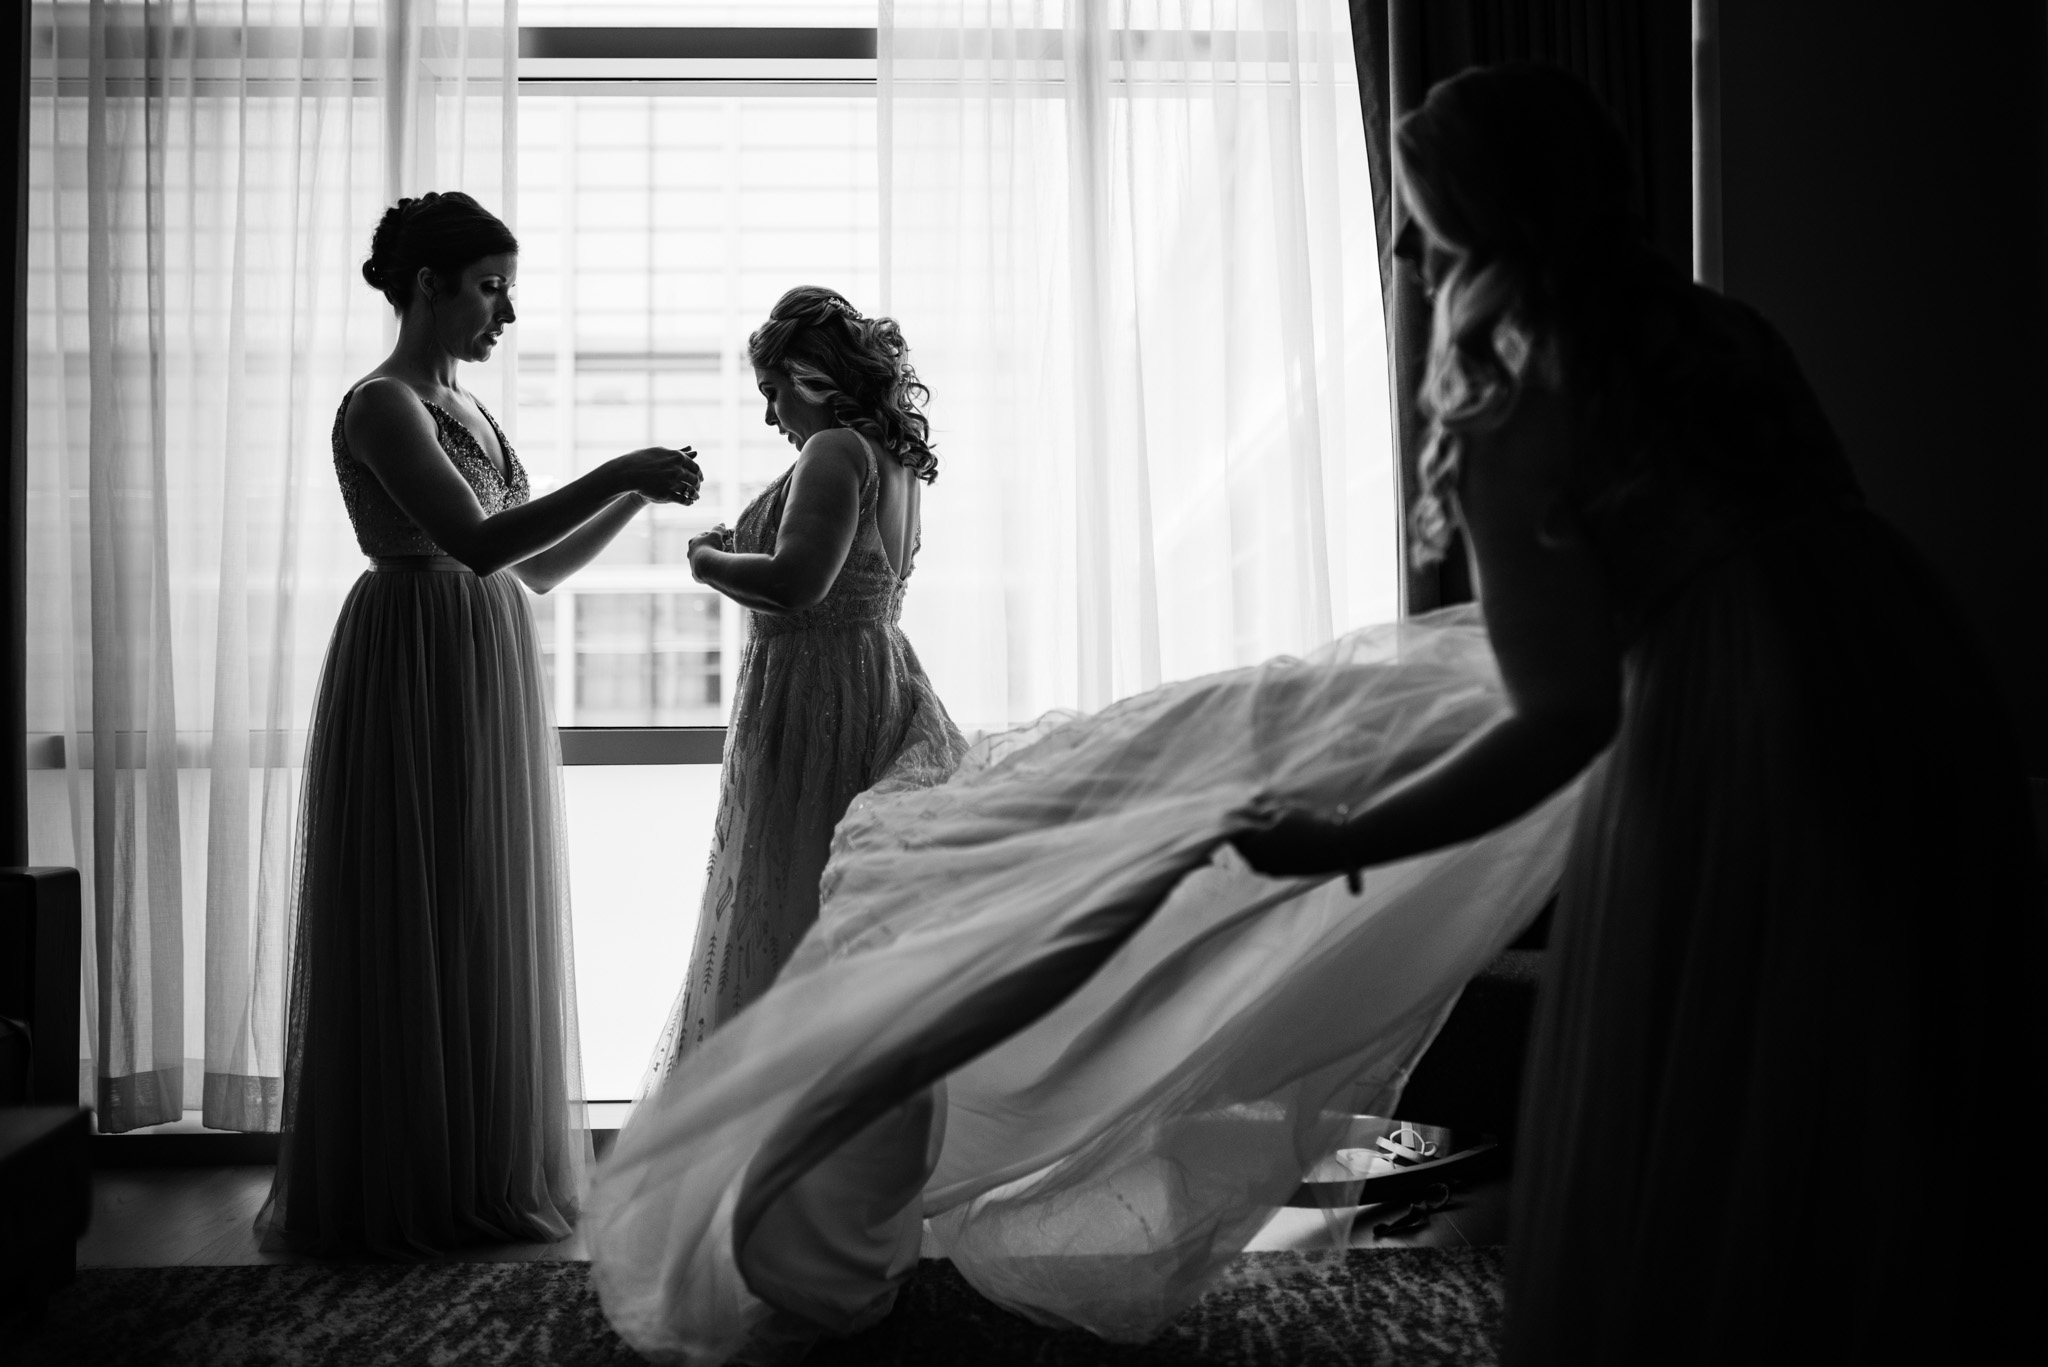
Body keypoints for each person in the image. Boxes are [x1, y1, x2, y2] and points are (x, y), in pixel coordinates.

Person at [1233, 64, 2046, 1365]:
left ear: (1478, 220)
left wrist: (1345, 836)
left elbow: (1561, 712)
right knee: (1879, 1058)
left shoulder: (1509, 385)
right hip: (1912, 667)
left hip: (1745, 718)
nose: (1398, 242)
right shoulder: (1715, 328)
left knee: (1731, 1068)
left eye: (1419, 211)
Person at [259, 191, 702, 1257]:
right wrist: (622, 468)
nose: (504, 312)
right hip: (412, 650)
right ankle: (405, 1169)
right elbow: (472, 539)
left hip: (484, 652)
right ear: (429, 285)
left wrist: (632, 501)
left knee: (475, 898)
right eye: (491, 287)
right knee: (414, 896)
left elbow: (535, 566)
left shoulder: (474, 412)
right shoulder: (383, 404)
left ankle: (475, 1159)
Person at [632, 285, 965, 1098]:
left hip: (816, 698)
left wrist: (708, 560)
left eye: (773, 391)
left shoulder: (834, 452)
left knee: (793, 905)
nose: (772, 414)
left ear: (810, 374)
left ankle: (782, 1142)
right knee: (842, 919)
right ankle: (848, 1135)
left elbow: (796, 581)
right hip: (874, 682)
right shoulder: (893, 461)